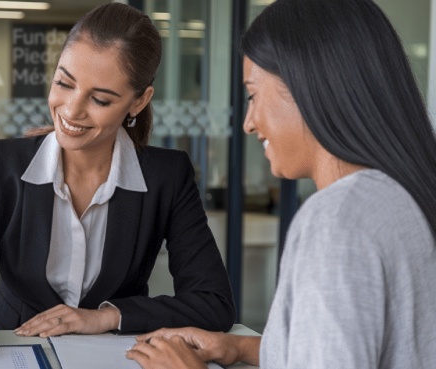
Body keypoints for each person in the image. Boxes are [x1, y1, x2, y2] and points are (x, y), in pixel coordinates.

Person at [126, 0, 436, 368]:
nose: (248, 123)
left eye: (253, 95)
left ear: (309, 86)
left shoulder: (337, 219)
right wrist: (239, 348)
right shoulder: (398, 198)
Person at [0, 2, 236, 350]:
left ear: (138, 103)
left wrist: (107, 316)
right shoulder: (4, 164)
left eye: (100, 99)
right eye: (64, 83)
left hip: (113, 354)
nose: (71, 109)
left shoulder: (166, 177)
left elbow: (212, 302)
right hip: (12, 348)